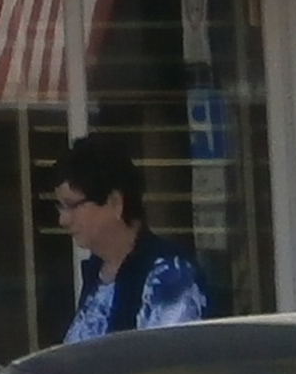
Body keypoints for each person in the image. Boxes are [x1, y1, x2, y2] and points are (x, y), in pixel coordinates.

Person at [53, 133, 213, 342]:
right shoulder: (98, 272)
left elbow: (167, 363)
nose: (63, 219)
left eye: (72, 205)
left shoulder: (169, 274)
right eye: (61, 207)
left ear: (115, 202)